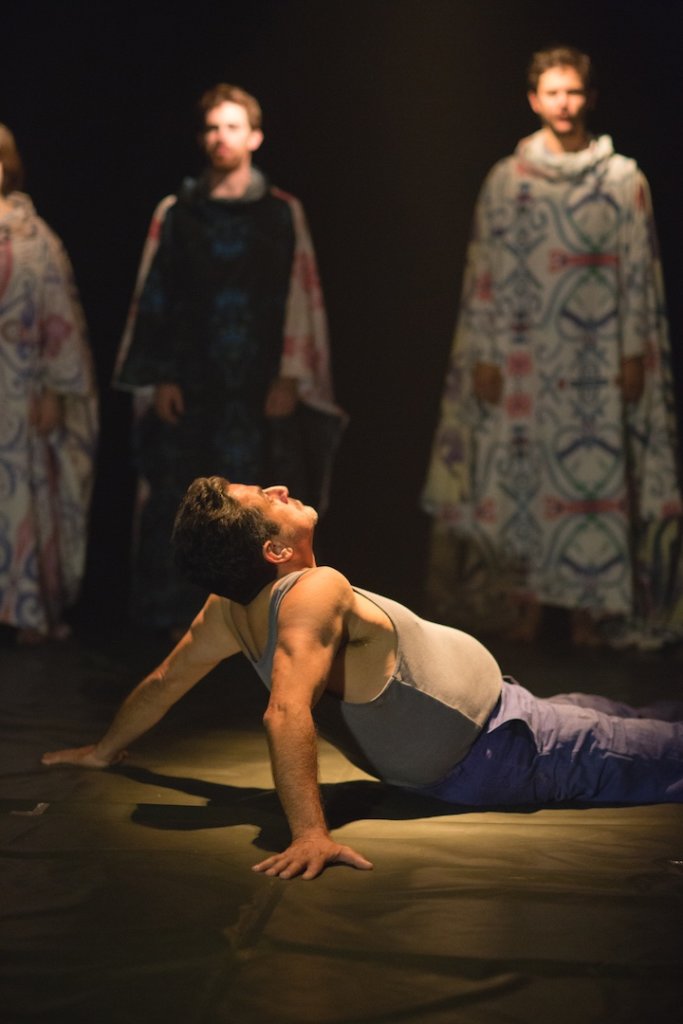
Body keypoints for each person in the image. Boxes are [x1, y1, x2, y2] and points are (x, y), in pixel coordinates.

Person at [42, 476, 683, 881]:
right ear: (274, 550)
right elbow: (285, 711)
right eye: (266, 499)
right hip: (511, 746)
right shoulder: (313, 590)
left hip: (511, 714)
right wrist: (309, 835)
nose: (280, 488)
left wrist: (103, 750)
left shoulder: (229, 611)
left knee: (639, 714)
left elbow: (163, 682)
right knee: (664, 751)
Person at [422, 46, 682, 648]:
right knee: (525, 478)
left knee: (593, 480)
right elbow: (484, 269)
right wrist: (485, 353)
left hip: (595, 354)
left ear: (590, 99)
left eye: (574, 92)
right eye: (553, 92)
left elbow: (638, 269)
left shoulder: (622, 179)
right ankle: (530, 608)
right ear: (534, 100)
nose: (564, 104)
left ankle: (590, 612)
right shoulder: (507, 181)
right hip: (525, 357)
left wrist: (634, 350)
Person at [114, 83, 343, 636]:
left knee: (256, 503)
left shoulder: (281, 213)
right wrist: (160, 375)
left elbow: (301, 293)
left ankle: (262, 620)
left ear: (255, 137)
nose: (222, 138)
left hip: (257, 384)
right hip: (192, 384)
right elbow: (156, 296)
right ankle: (178, 620)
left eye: (233, 127)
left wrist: (291, 373)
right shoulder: (178, 213)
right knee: (186, 499)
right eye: (213, 128)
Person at [0, 124, 98, 645]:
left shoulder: (35, 237)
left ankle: (25, 608)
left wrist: (58, 390)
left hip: (20, 388)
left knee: (19, 497)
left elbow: (61, 317)